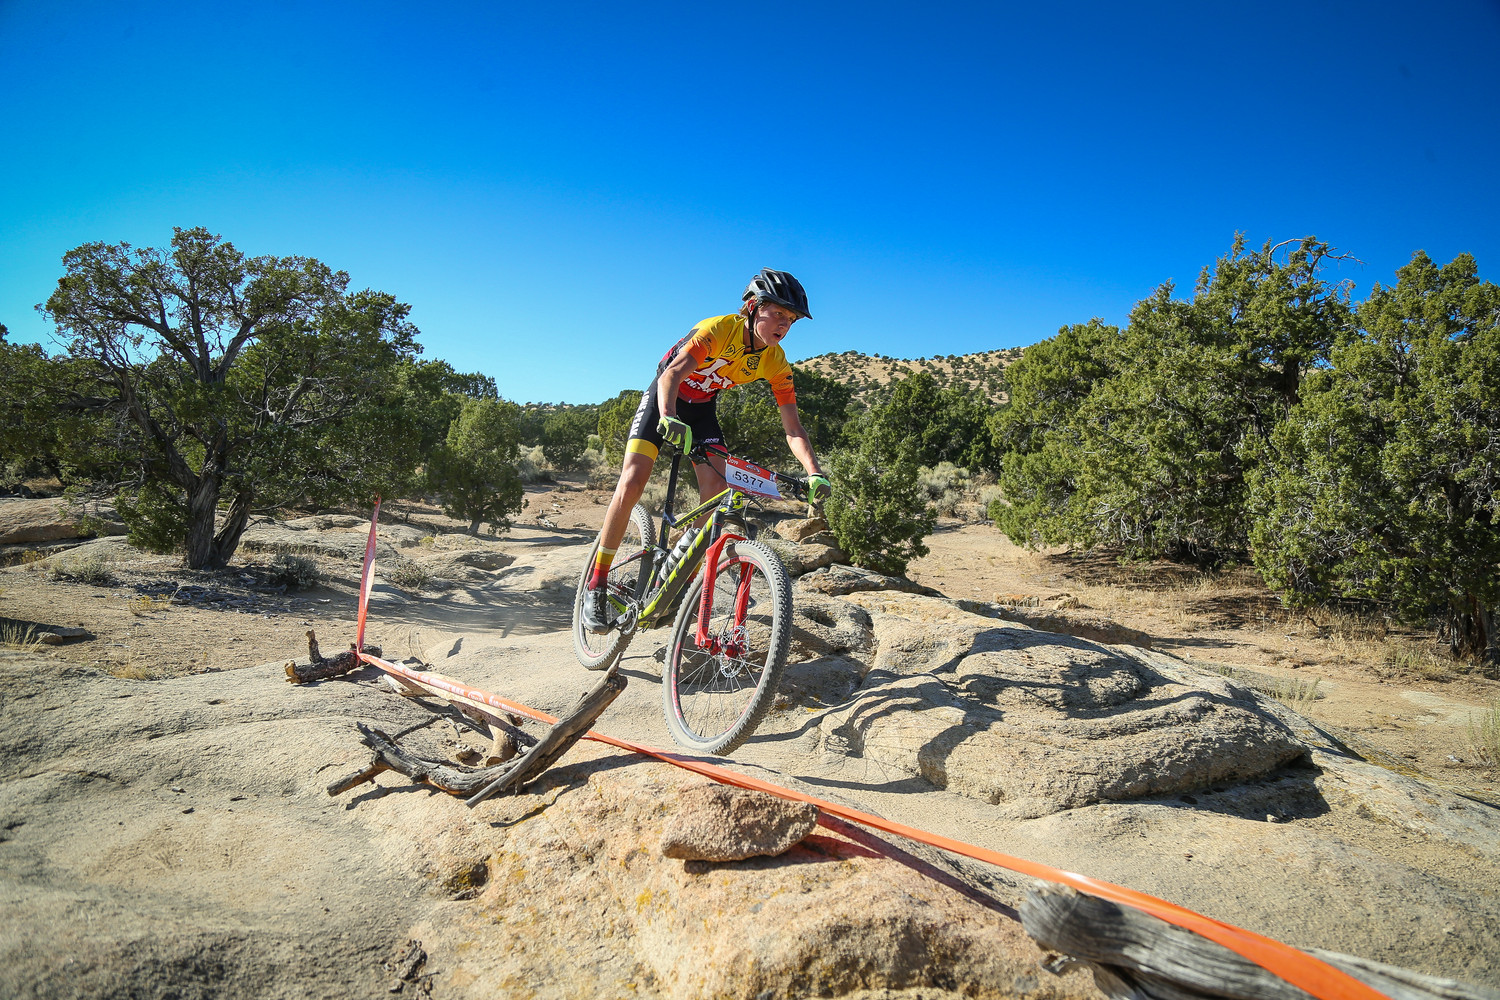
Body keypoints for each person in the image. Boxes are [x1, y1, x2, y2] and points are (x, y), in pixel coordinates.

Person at [581, 268, 833, 634]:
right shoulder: (718, 329)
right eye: (777, 312)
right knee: (633, 480)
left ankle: (675, 573)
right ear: (752, 307)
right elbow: (671, 375)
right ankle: (597, 582)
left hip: (701, 410)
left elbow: (793, 428)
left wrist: (814, 471)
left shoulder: (775, 361)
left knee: (716, 492)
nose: (784, 324)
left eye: (791, 319)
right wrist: (669, 417)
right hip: (665, 396)